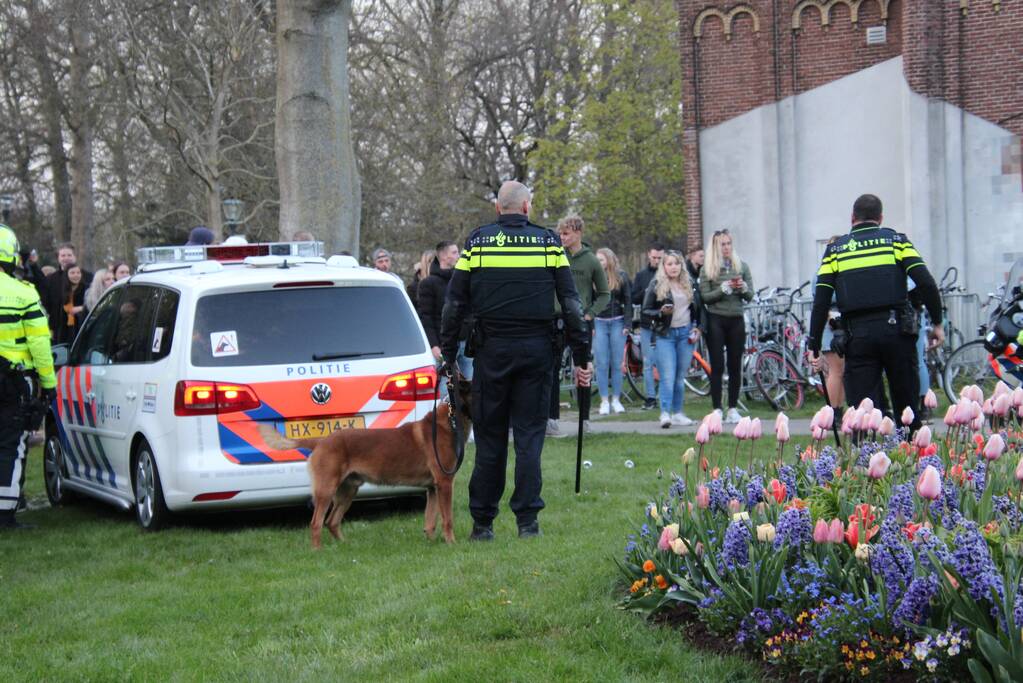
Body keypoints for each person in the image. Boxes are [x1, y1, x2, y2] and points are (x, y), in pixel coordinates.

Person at [439, 180, 591, 542]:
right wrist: (583, 356)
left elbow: (454, 303)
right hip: (537, 352)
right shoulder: (548, 242)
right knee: (529, 436)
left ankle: (483, 525)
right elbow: (571, 303)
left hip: (492, 352)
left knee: (490, 438)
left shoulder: (477, 243)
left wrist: (447, 353)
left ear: (497, 209)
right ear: (527, 208)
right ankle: (527, 522)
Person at [809, 194, 943, 432]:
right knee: (907, 408)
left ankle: (865, 460)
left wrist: (814, 344)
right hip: (897, 332)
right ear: (880, 218)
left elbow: (820, 302)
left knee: (863, 412)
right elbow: (927, 283)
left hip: (857, 336)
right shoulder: (896, 242)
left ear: (852, 218)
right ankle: (911, 455)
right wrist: (938, 324)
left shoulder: (835, 251)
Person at [0, 225, 56, 530]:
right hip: (12, 382)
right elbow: (39, 345)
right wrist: (48, 383)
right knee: (10, 444)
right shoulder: (23, 294)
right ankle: (5, 513)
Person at [546, 215, 609, 436]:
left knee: (582, 370)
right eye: (560, 233)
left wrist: (590, 314)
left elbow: (604, 294)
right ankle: (551, 419)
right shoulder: (554, 256)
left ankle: (585, 420)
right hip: (555, 320)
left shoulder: (591, 260)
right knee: (551, 370)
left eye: (566, 233)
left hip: (580, 321)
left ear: (578, 232)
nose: (561, 237)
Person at [699, 229, 753, 424]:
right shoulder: (707, 269)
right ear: (716, 247)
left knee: (735, 365)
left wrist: (743, 288)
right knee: (717, 365)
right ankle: (716, 408)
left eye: (729, 243)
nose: (727, 247)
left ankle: (732, 408)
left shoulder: (742, 266)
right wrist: (722, 290)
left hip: (736, 318)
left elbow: (750, 295)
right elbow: (705, 297)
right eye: (723, 244)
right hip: (716, 318)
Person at [643, 251, 702, 428]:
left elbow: (698, 307)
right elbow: (645, 310)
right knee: (667, 376)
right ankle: (665, 413)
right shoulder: (656, 284)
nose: (673, 267)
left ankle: (678, 413)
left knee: (679, 377)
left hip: (685, 334)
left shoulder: (689, 283)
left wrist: (698, 327)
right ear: (664, 266)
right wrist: (661, 312)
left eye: (677, 263)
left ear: (681, 265)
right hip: (664, 335)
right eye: (669, 264)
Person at [418, 240, 471, 390]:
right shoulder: (428, 284)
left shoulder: (462, 280)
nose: (458, 255)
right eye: (454, 252)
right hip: (443, 344)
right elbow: (426, 316)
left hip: (465, 343)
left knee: (471, 387)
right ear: (443, 257)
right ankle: (447, 414)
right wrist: (434, 344)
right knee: (445, 388)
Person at [593, 247, 631, 415]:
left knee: (617, 363)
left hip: (617, 322)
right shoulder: (592, 277)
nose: (598, 263)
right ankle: (604, 401)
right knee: (601, 363)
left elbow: (628, 301)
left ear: (608, 260)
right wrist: (590, 325)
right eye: (597, 260)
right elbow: (587, 301)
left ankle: (616, 399)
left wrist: (627, 325)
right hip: (599, 322)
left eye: (601, 260)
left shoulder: (621, 276)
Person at [631, 243, 665, 410]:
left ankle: (664, 395)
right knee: (647, 362)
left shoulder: (668, 275)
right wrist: (647, 292)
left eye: (660, 258)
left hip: (664, 325)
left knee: (664, 361)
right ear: (648, 256)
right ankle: (651, 397)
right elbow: (633, 297)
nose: (657, 261)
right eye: (654, 257)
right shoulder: (641, 275)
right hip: (646, 325)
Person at [50, 264, 86, 345]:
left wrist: (81, 308)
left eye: (78, 272)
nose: (76, 275)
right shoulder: (61, 291)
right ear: (67, 275)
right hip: (64, 331)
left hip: (80, 329)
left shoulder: (86, 289)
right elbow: (55, 311)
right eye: (72, 273)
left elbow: (92, 307)